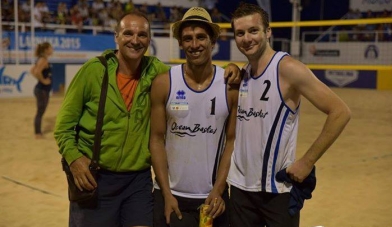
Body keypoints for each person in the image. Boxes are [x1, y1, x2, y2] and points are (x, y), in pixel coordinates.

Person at [54, 11, 240, 227]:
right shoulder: (94, 71)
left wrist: (232, 70)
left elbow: (193, 71)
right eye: (128, 33)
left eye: (142, 34)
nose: (135, 40)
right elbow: (63, 126)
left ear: (149, 40)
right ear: (116, 37)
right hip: (97, 178)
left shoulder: (156, 71)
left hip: (137, 183)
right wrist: (74, 159)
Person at [226, 3, 351, 227]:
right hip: (240, 189)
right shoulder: (243, 73)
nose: (247, 38)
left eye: (253, 30)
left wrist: (307, 162)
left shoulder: (288, 68)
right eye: (240, 33)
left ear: (268, 31)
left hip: (277, 190)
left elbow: (340, 112)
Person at [149, 7, 239, 227]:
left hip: (211, 198)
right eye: (187, 38)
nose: (194, 44)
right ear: (180, 43)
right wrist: (166, 194)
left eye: (201, 37)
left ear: (212, 40)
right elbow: (156, 140)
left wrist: (218, 189)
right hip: (170, 196)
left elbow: (231, 141)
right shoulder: (164, 83)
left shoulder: (230, 86)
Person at [30, 42, 53, 139]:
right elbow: (36, 71)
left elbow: (32, 70)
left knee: (41, 111)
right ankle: (38, 133)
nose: (52, 50)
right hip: (42, 90)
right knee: (40, 112)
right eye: (51, 48)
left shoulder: (42, 59)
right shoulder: (43, 60)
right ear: (46, 49)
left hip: (42, 90)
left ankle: (38, 132)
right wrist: (43, 80)